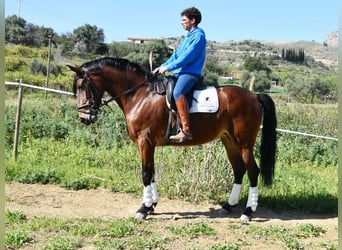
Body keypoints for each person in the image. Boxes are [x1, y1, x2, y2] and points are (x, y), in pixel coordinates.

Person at [154, 7, 206, 143]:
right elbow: (176, 56)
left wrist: (168, 67)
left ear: (193, 21)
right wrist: (162, 66)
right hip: (180, 72)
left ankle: (186, 130)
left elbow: (187, 58)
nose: (181, 22)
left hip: (190, 73)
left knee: (178, 93)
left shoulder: (198, 37)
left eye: (184, 20)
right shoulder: (186, 38)